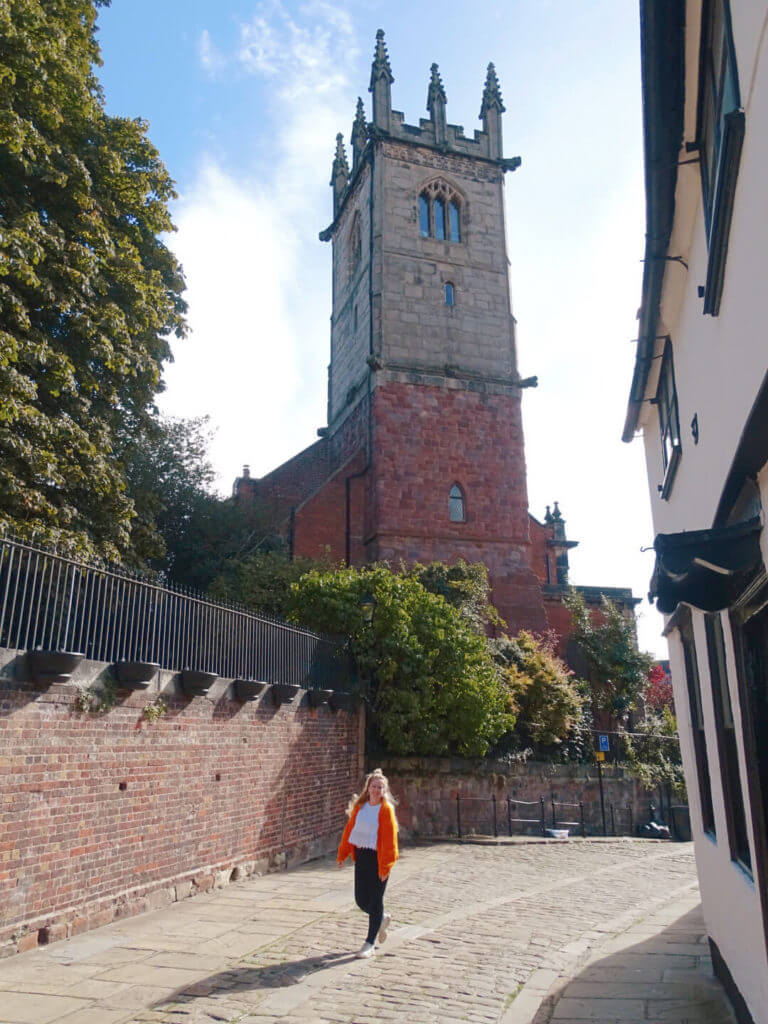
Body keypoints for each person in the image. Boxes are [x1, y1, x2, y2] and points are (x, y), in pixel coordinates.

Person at [337, 768, 399, 958]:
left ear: (384, 790)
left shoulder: (386, 810)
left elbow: (390, 841)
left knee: (376, 899)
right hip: (362, 857)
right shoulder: (360, 806)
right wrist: (343, 853)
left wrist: (385, 866)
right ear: (368, 788)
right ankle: (381, 918)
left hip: (378, 859)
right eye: (374, 786)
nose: (376, 790)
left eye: (380, 787)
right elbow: (350, 830)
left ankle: (369, 943)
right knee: (361, 900)